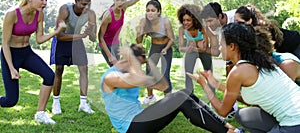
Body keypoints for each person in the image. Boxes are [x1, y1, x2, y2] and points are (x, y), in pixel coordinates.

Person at [100, 44, 242, 133]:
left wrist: (150, 62)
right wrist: (135, 62)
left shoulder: (133, 73)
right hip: (131, 127)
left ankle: (228, 127)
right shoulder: (111, 77)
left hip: (139, 120)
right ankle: (225, 132)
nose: (141, 67)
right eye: (139, 63)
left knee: (185, 93)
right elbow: (138, 80)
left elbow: (163, 86)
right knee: (179, 98)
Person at [188, 22, 300, 132]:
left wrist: (204, 84)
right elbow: (248, 99)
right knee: (243, 115)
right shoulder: (259, 61)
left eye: (221, 44)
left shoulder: (238, 71)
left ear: (232, 46)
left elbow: (223, 111)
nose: (220, 48)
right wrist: (215, 84)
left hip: (294, 123)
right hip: (295, 116)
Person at [0, 0, 66, 124]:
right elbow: (4, 43)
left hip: (26, 53)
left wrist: (56, 32)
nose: (45, 2)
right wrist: (11, 68)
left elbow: (39, 39)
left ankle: (40, 114)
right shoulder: (12, 14)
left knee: (49, 76)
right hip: (10, 55)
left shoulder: (39, 14)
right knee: (10, 100)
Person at [51, 0, 97, 115]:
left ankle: (83, 104)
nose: (86, 8)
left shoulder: (91, 14)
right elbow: (59, 35)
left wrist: (91, 31)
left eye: (89, 4)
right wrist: (81, 35)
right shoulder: (65, 10)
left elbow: (93, 38)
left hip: (77, 40)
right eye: (83, 4)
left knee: (84, 69)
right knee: (59, 69)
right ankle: (56, 103)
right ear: (76, 2)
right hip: (63, 40)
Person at [136, 0, 174, 104]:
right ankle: (150, 96)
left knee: (165, 74)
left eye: (153, 10)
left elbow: (172, 39)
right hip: (154, 47)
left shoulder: (165, 22)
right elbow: (139, 41)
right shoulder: (144, 22)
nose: (150, 13)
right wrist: (139, 32)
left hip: (166, 46)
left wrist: (166, 49)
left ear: (158, 12)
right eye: (148, 10)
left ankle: (168, 99)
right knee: (149, 71)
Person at [98, 0, 145, 67]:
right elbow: (100, 37)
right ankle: (107, 80)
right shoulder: (108, 15)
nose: (120, 2)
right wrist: (109, 55)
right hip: (105, 44)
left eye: (122, 0)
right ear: (114, 0)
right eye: (117, 0)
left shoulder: (124, 7)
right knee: (116, 68)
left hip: (115, 43)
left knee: (119, 68)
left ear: (125, 0)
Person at [234, 4, 300, 59]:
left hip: (295, 44)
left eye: (237, 21)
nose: (235, 24)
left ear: (249, 21)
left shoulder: (261, 31)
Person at [177, 4, 212, 92]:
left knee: (209, 75)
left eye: (188, 20)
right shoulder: (182, 29)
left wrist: (194, 45)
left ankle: (212, 98)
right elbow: (181, 48)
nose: (185, 23)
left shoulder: (202, 28)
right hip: (191, 52)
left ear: (195, 20)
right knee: (188, 74)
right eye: (184, 20)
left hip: (203, 53)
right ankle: (190, 97)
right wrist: (191, 48)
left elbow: (204, 48)